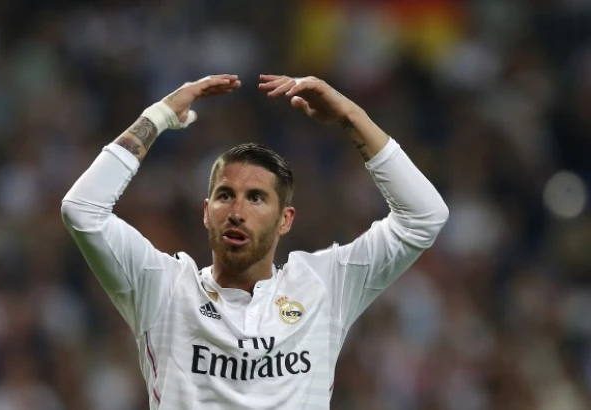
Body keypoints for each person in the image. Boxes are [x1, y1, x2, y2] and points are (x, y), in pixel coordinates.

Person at [61, 74, 448, 409]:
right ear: (206, 211)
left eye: (256, 198)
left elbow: (425, 216)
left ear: (285, 220)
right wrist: (158, 117)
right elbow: (82, 210)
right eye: (225, 195)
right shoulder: (164, 288)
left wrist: (352, 117)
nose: (237, 211)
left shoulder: (323, 286)